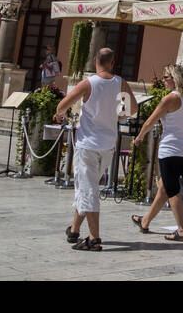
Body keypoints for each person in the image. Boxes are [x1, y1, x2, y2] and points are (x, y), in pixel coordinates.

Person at [54, 47, 133, 251]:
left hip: (88, 143)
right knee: (87, 186)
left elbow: (62, 105)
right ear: (112, 62)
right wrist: (117, 116)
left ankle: (94, 238)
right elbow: (132, 109)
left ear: (95, 60)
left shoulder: (88, 83)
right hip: (108, 145)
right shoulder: (120, 82)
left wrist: (60, 114)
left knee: (88, 189)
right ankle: (74, 230)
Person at [131, 65, 183, 242]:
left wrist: (139, 137)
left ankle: (182, 231)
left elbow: (150, 121)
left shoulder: (170, 99)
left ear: (175, 79)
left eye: (166, 77)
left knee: (172, 190)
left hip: (169, 149)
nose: (163, 80)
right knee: (163, 188)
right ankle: (145, 221)